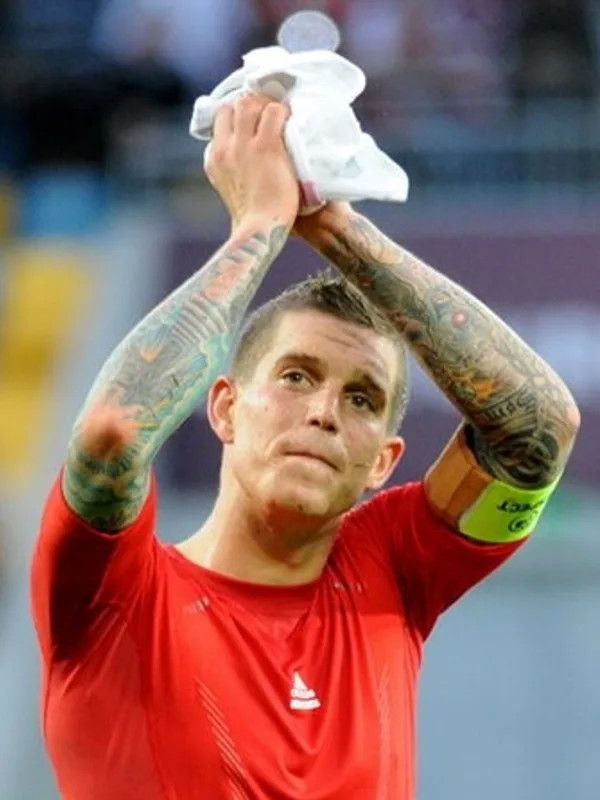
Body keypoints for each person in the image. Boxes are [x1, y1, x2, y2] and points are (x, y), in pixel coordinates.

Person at [31, 95, 580, 799]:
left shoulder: (393, 569)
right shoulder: (118, 593)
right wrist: (258, 226)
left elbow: (539, 428)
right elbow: (113, 432)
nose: (323, 412)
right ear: (225, 407)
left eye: (362, 399)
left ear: (383, 461)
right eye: (296, 377)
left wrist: (333, 224)